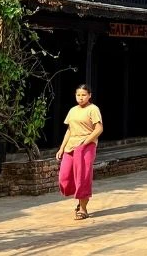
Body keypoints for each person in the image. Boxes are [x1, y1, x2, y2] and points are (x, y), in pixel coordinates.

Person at [56, 84, 103, 220]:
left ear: (89, 95)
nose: (81, 97)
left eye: (84, 95)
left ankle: (83, 208)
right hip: (70, 146)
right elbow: (70, 130)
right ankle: (79, 198)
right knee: (64, 178)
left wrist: (86, 142)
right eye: (78, 95)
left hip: (86, 146)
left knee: (83, 176)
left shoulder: (93, 109)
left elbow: (99, 129)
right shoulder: (72, 110)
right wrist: (62, 148)